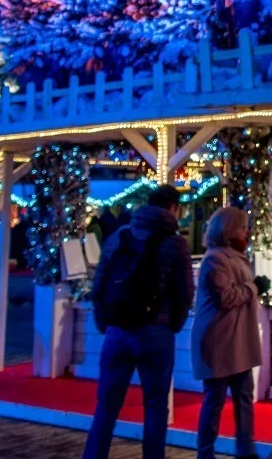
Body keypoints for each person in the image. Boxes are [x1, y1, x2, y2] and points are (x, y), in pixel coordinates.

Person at [84, 184, 194, 459]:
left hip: (117, 330)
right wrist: (172, 325)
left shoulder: (119, 237)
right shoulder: (176, 243)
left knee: (106, 405)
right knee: (155, 406)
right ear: (173, 208)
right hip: (156, 331)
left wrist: (106, 322)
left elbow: (98, 286)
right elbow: (184, 293)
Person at [191, 208, 271, 459]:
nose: (246, 232)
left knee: (243, 399)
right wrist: (253, 287)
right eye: (242, 227)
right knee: (215, 401)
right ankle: (206, 453)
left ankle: (245, 449)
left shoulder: (233, 257)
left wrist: (252, 288)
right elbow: (226, 297)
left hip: (236, 341)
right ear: (229, 230)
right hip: (220, 341)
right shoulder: (216, 259)